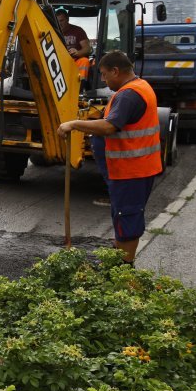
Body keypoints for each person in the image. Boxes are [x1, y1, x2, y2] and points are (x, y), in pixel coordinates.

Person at [57, 51, 162, 263]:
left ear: (116, 70)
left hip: (131, 170)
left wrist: (74, 124)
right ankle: (120, 254)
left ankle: (124, 269)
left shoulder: (129, 94)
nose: (103, 80)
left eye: (105, 75)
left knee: (128, 217)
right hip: (135, 168)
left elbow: (109, 126)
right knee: (124, 215)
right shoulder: (139, 86)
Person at [55, 8, 93, 81]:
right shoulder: (53, 31)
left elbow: (88, 49)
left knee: (84, 61)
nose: (59, 23)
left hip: (75, 60)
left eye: (62, 20)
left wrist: (77, 53)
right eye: (57, 21)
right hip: (59, 61)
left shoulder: (78, 31)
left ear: (67, 19)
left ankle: (81, 85)